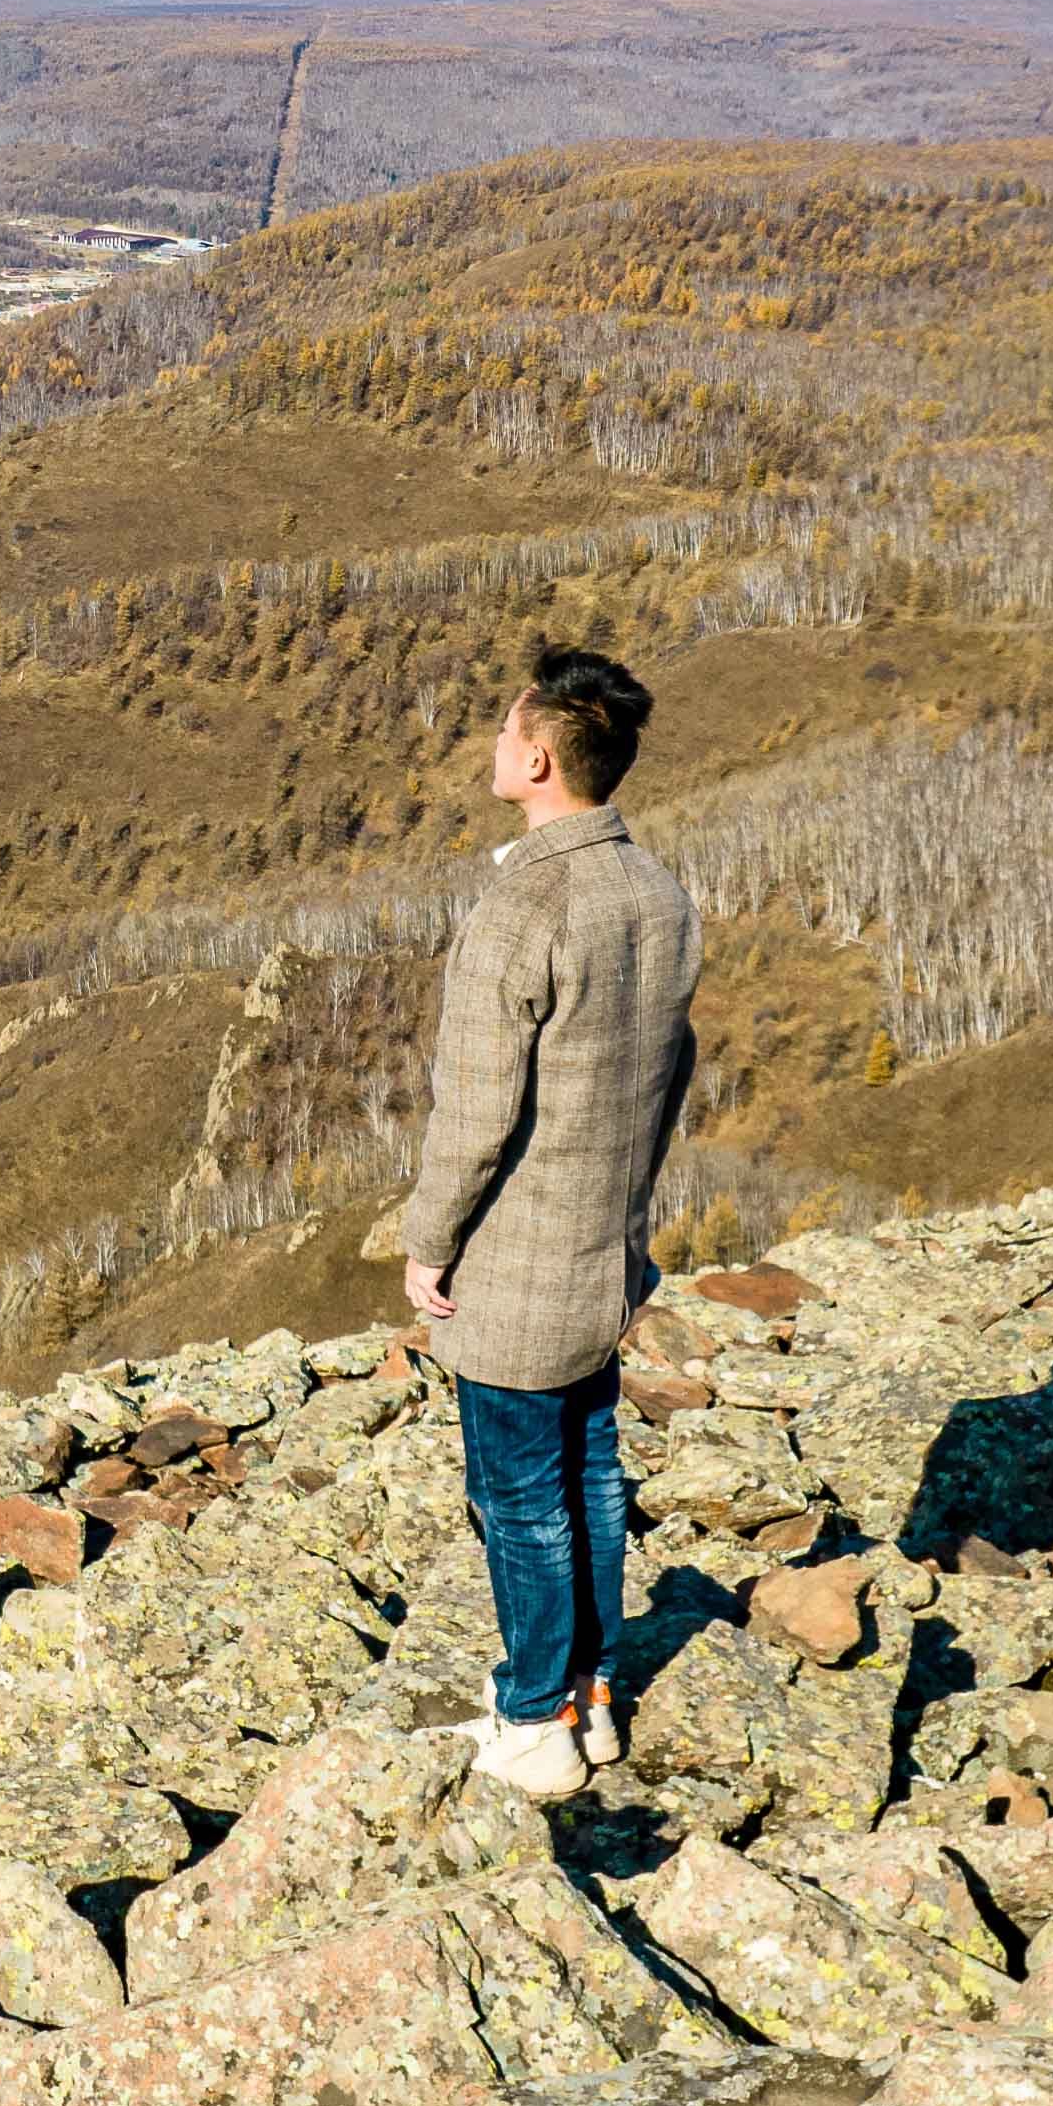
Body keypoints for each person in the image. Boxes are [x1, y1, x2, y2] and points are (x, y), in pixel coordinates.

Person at [397, 640, 697, 1799]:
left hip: (518, 1256)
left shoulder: (525, 901)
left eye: (499, 727)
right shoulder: (654, 892)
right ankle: (592, 1692)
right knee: (592, 1471)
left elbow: (474, 1108)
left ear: (533, 756)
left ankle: (532, 1720)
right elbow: (664, 1075)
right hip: (603, 1244)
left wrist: (430, 1240)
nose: (488, 743)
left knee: (519, 1494)